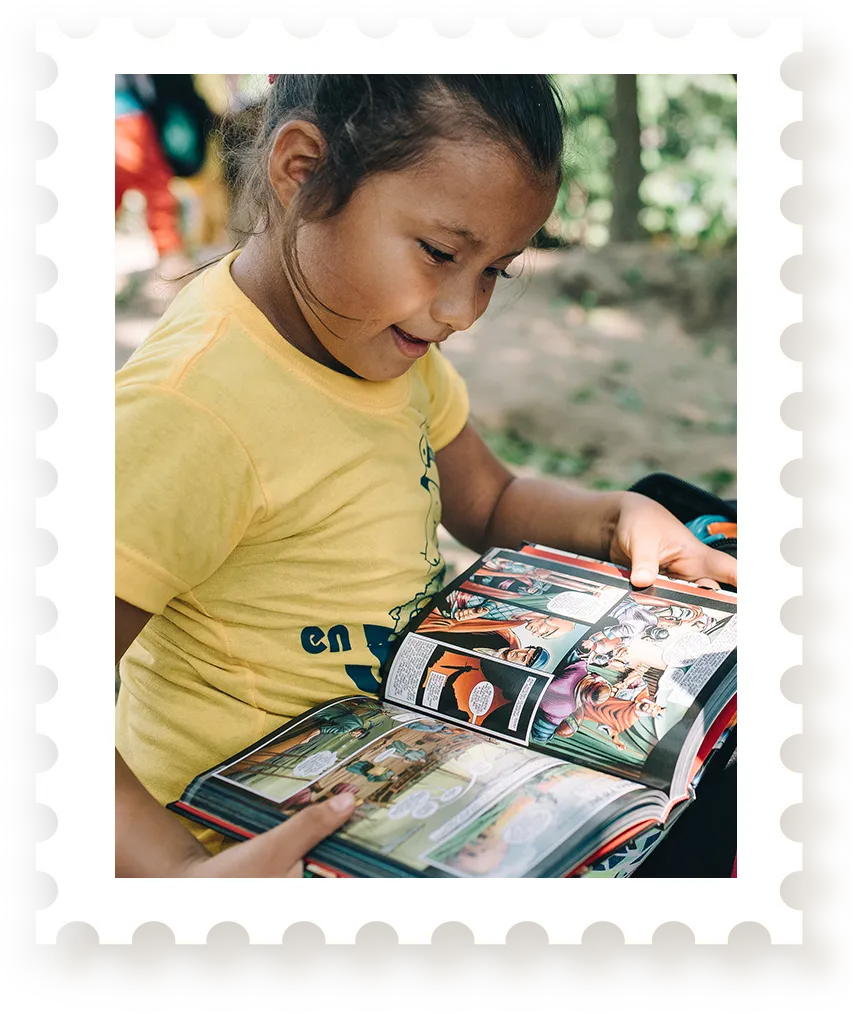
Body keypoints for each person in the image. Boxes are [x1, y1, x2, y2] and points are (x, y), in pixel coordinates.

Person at [115, 75, 737, 878]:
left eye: (495, 272)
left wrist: (617, 514)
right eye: (442, 253)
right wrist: (173, 882)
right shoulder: (193, 411)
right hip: (244, 851)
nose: (462, 310)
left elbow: (492, 499)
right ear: (302, 171)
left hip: (406, 781)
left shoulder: (381, 343)